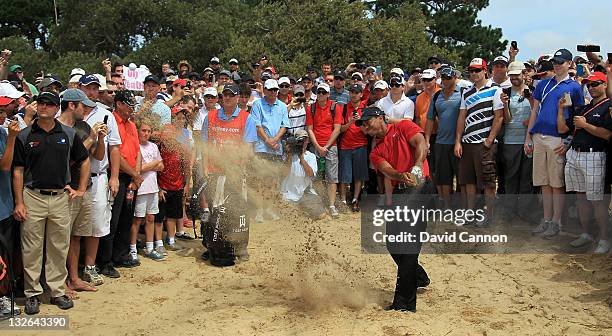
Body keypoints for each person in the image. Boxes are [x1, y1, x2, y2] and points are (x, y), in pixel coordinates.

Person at [13, 92, 90, 314]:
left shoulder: (68, 133)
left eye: (49, 104)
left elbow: (84, 160)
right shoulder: (25, 135)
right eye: (41, 103)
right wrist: (19, 201)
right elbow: (17, 170)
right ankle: (33, 294)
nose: (44, 107)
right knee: (31, 248)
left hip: (60, 197)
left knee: (59, 246)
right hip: (32, 196)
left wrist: (82, 189)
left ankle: (57, 291)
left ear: (57, 108)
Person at [356, 106, 431, 313]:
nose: (365, 127)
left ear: (380, 118)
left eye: (367, 122)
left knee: (407, 244)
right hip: (402, 189)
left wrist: (415, 168)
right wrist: (400, 175)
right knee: (393, 242)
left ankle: (404, 303)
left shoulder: (404, 126)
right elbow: (385, 168)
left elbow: (421, 144)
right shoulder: (375, 151)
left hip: (421, 186)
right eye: (362, 125)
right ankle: (418, 276)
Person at [526, 48, 584, 237]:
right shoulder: (543, 84)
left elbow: (579, 115)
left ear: (569, 64)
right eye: (556, 62)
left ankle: (557, 222)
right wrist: (529, 136)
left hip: (558, 138)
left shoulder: (574, 87)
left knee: (556, 183)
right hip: (539, 135)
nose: (557, 65)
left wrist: (568, 141)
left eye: (561, 62)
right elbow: (534, 111)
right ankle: (547, 219)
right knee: (543, 182)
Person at [200, 84, 257, 265]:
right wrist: (203, 170)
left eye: (231, 95)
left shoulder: (247, 119)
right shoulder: (210, 117)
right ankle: (212, 245)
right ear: (221, 97)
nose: (228, 98)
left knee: (238, 210)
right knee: (214, 211)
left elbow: (248, 149)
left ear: (238, 97)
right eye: (225, 95)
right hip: (215, 173)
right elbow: (204, 146)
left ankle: (240, 247)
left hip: (236, 174)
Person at [56, 89, 104, 297]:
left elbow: (98, 156)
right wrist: (91, 138)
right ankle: (60, 283)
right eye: (83, 106)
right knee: (60, 240)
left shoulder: (83, 126)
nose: (87, 110)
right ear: (71, 105)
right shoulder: (54, 128)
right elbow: (67, 161)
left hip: (83, 190)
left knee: (76, 237)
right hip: (64, 191)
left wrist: (99, 139)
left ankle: (74, 278)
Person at [558, 72, 611, 254]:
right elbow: (563, 129)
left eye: (596, 84)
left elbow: (607, 134)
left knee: (598, 201)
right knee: (580, 199)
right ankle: (586, 233)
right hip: (575, 155)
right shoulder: (583, 108)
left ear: (605, 85)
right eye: (588, 84)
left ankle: (604, 238)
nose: (591, 87)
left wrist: (585, 125)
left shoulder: (608, 107)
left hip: (594, 156)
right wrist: (561, 109)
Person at [454, 58, 504, 227]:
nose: (474, 73)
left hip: (485, 143)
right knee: (468, 181)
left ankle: (488, 216)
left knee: (488, 183)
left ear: (485, 71)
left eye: (477, 70)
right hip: (467, 142)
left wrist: (489, 141)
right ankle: (470, 214)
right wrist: (458, 141)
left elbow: (499, 117)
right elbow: (462, 116)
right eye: (471, 70)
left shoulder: (495, 90)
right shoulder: (466, 92)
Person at [97, 90, 142, 276]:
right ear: (119, 104)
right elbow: (115, 154)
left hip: (131, 178)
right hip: (116, 176)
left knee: (126, 217)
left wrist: (136, 175)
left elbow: (137, 151)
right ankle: (105, 261)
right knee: (112, 220)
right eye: (129, 104)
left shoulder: (131, 124)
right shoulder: (111, 120)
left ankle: (121, 255)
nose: (132, 108)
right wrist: (134, 174)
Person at [250, 79, 289, 222]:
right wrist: (267, 140)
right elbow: (257, 125)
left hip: (276, 149)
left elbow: (284, 126)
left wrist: (274, 140)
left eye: (275, 90)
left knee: (272, 181)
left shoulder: (283, 106)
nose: (273, 92)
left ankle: (269, 208)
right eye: (270, 90)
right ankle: (260, 210)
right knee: (260, 180)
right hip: (261, 148)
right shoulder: (257, 104)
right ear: (264, 90)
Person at [425, 67, 462, 208]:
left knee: (461, 177)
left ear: (455, 78)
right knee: (443, 177)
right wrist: (427, 140)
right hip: (441, 142)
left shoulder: (463, 93)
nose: (445, 80)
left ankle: (460, 206)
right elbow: (430, 119)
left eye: (448, 78)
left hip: (459, 142)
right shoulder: (436, 96)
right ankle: (446, 207)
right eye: (443, 78)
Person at [305, 83, 343, 218]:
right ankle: (319, 203)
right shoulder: (311, 108)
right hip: (316, 147)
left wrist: (326, 147)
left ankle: (332, 206)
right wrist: (318, 146)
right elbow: (310, 128)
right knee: (315, 177)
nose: (320, 94)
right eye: (319, 92)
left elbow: (337, 129)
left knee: (331, 178)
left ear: (328, 94)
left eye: (323, 92)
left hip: (330, 147)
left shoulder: (335, 107)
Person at [501, 62, 533, 214]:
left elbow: (537, 113)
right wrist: (505, 104)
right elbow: (506, 120)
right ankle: (509, 210)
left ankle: (525, 211)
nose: (514, 78)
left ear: (523, 74)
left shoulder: (532, 92)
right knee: (511, 176)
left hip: (529, 140)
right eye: (511, 75)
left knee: (527, 177)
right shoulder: (505, 92)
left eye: (516, 74)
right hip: (510, 140)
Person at [131, 119, 166, 261]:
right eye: (143, 130)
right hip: (141, 188)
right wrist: (153, 164)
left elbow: (162, 166)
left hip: (152, 187)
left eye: (149, 131)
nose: (146, 134)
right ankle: (132, 249)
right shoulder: (135, 146)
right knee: (137, 219)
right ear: (138, 131)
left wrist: (149, 166)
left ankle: (150, 247)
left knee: (151, 217)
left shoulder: (153, 146)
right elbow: (138, 169)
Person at [0, 95, 20, 315]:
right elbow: (5, 165)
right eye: (1, 110)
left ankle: (3, 297)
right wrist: (13, 138)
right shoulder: (6, 134)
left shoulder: (3, 132)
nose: (5, 114)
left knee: (5, 256)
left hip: (5, 205)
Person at [281, 129, 326, 220]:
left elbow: (310, 174)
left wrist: (301, 157)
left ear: (308, 141)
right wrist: (289, 154)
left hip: (305, 194)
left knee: (321, 215)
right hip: (288, 194)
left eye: (304, 140)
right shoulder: (288, 155)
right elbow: (283, 173)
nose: (302, 143)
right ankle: (299, 210)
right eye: (300, 141)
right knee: (287, 216)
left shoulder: (311, 156)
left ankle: (301, 209)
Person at [338, 84, 368, 212]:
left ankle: (355, 200)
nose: (353, 94)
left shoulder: (366, 108)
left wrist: (359, 121)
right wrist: (350, 121)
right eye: (351, 92)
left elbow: (368, 131)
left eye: (356, 92)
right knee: (345, 176)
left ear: (361, 94)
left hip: (360, 146)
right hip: (345, 146)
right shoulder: (343, 108)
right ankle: (344, 200)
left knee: (358, 176)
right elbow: (340, 129)